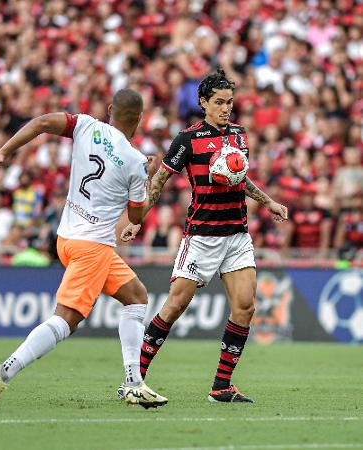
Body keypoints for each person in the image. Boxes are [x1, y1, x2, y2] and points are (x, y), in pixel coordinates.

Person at [0, 88, 168, 411]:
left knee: (136, 296)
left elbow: (40, 123)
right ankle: (3, 371)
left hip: (67, 237)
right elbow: (136, 216)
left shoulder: (84, 125)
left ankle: (133, 383)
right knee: (67, 320)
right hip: (93, 246)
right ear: (139, 119)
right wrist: (146, 177)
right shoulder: (135, 160)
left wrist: (5, 150)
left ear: (110, 108)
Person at [120, 69, 288, 403]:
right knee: (175, 306)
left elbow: (241, 179)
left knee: (245, 306)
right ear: (204, 103)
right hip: (202, 237)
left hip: (237, 235)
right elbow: (158, 181)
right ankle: (133, 379)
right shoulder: (188, 140)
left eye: (230, 102)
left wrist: (267, 201)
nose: (227, 108)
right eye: (220, 102)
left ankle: (221, 386)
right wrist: (138, 220)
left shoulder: (239, 135)